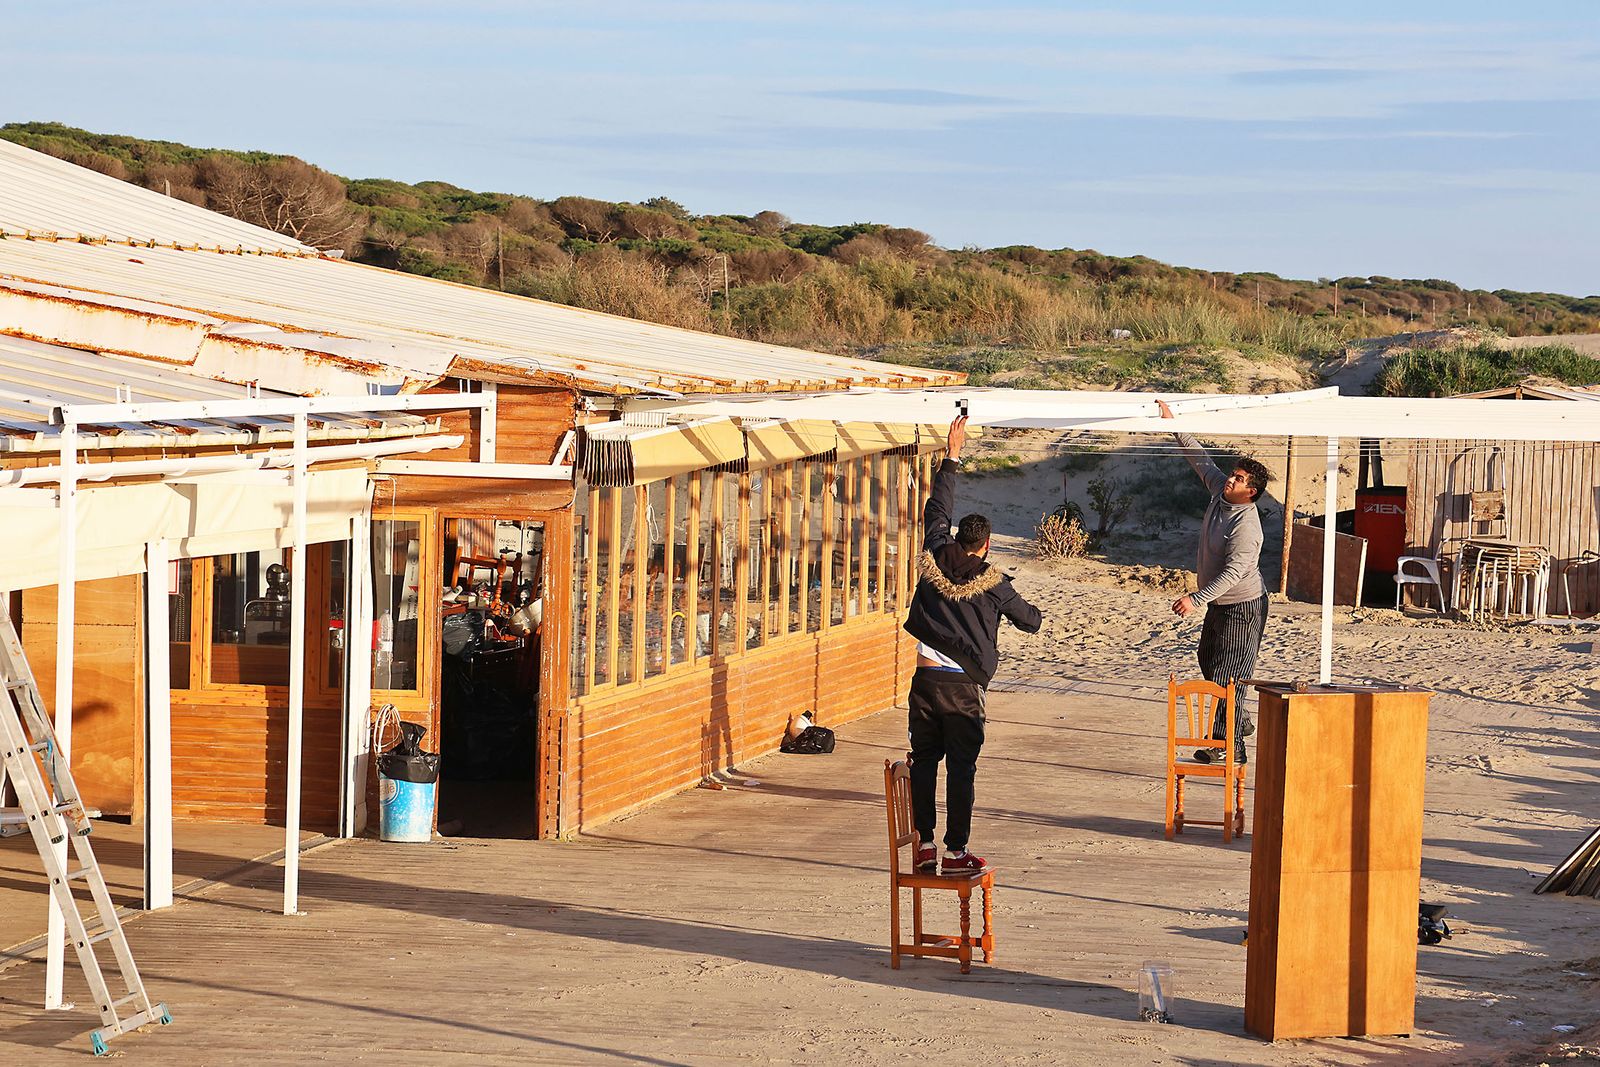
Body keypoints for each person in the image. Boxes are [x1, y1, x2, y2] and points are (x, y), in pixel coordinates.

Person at [902, 416, 1043, 875]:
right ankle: (955, 852)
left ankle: (924, 845)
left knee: (924, 762)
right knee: (960, 771)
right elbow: (1031, 621)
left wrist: (952, 456)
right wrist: (1009, 601)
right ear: (986, 545)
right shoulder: (992, 582)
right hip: (963, 690)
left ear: (959, 539)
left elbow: (935, 511)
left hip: (924, 680)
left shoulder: (935, 553)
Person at [1157, 399, 1271, 764]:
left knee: (1229, 676)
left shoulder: (1246, 525)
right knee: (1208, 659)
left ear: (1250, 492)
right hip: (1221, 604)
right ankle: (1243, 720)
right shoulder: (1221, 491)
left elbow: (1235, 572)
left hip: (1243, 605)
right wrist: (1174, 426)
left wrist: (1196, 598)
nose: (1230, 480)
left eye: (1238, 479)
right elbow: (1200, 460)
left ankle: (1230, 748)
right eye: (1233, 475)